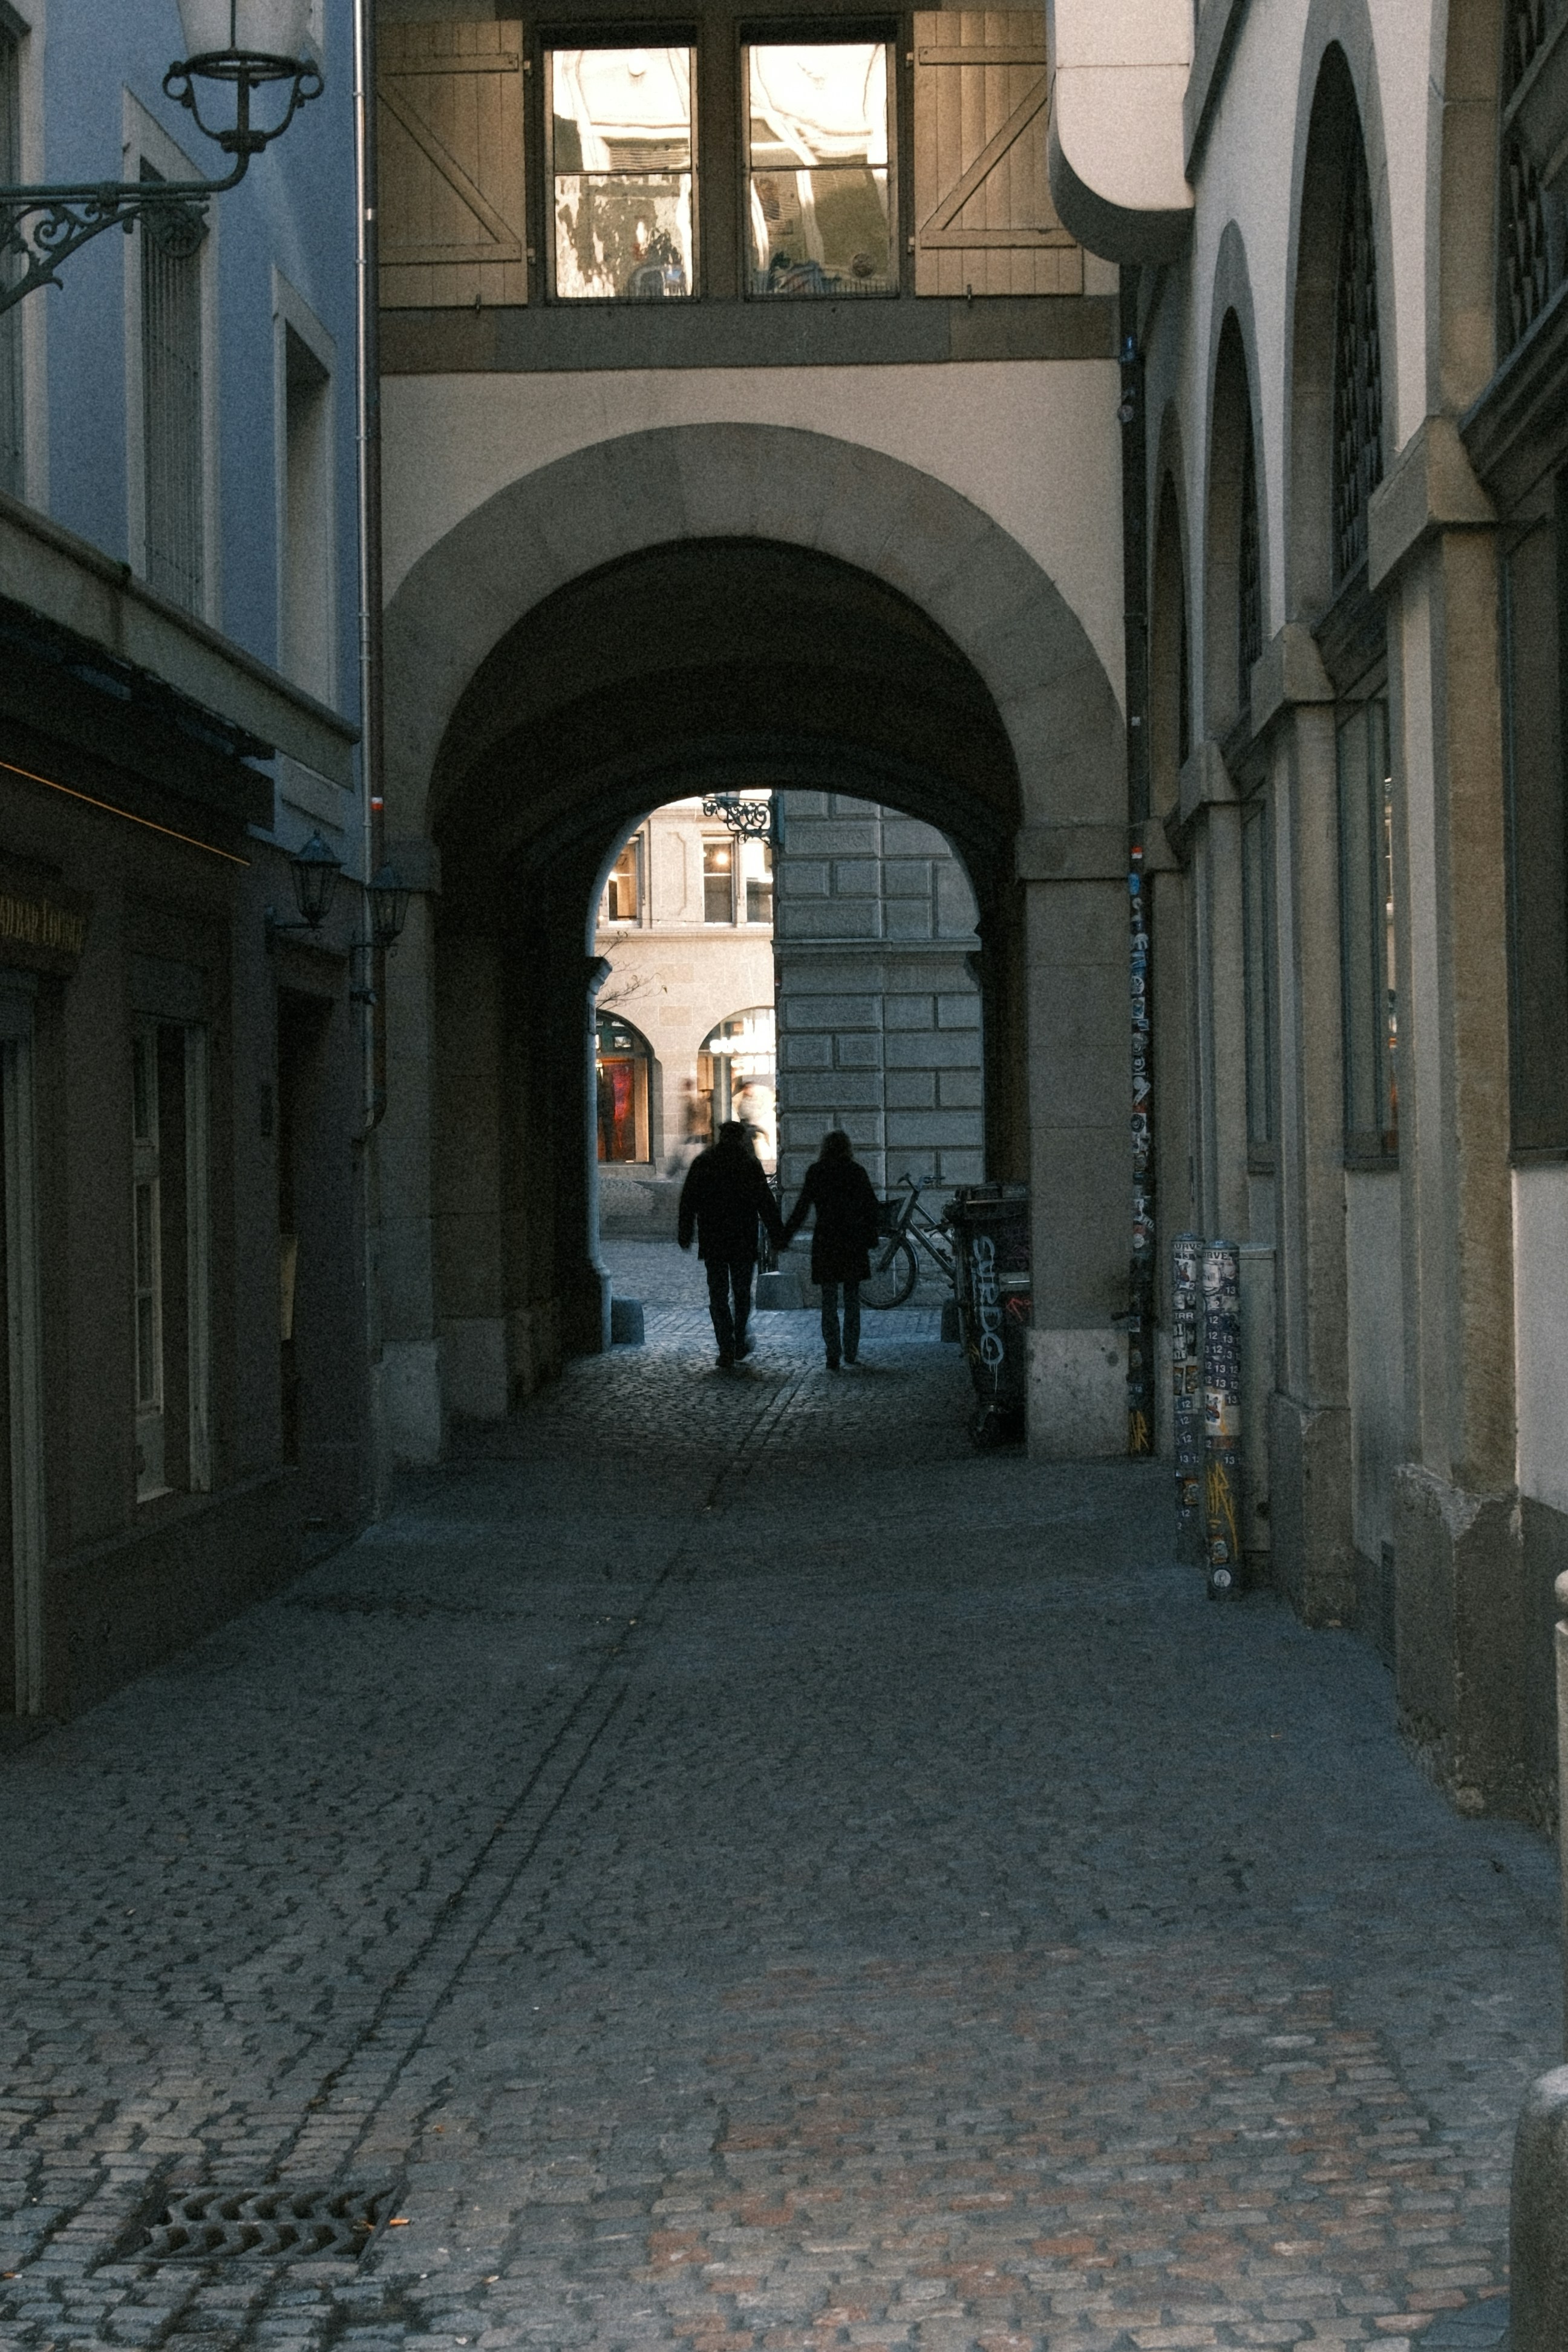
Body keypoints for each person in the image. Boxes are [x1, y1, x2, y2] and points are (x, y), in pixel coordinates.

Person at [678, 1120, 785, 1370]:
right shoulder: (749, 1164)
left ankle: (725, 1346)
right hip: (743, 1239)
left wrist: (685, 1233)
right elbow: (765, 1202)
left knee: (718, 1295)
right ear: (740, 1139)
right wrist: (778, 1235)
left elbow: (688, 1201)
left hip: (713, 1238)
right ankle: (738, 1339)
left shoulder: (704, 1162)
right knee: (741, 1293)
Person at [782, 1130, 881, 1371]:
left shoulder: (817, 1171)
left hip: (827, 1240)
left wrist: (785, 1236)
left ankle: (832, 1352)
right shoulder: (857, 1171)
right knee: (852, 1299)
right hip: (852, 1241)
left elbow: (802, 1207)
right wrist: (871, 1239)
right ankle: (851, 1350)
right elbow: (871, 1208)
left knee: (829, 1299)